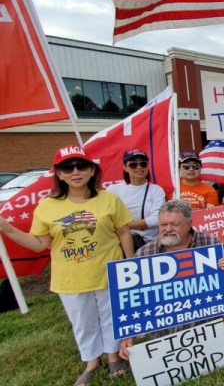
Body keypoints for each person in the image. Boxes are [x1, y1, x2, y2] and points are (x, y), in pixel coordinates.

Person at [0, 145, 134, 385]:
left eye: (81, 165)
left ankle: (114, 356)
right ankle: (92, 361)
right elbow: (39, 244)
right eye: (67, 167)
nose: (75, 171)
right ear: (59, 174)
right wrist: (8, 229)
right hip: (70, 276)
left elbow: (123, 232)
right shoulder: (48, 206)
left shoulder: (109, 199)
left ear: (92, 170)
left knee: (111, 315)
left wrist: (130, 264)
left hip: (108, 270)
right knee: (82, 321)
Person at [118, 199, 224, 358]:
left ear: (189, 224)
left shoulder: (209, 242)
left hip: (206, 333)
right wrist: (128, 334)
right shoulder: (144, 253)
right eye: (163, 225)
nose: (168, 229)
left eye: (174, 224)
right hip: (163, 337)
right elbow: (132, 298)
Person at [106, 148, 166, 249]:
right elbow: (108, 218)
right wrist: (124, 229)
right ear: (125, 167)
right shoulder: (113, 190)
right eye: (133, 164)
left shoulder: (156, 190)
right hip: (120, 244)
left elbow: (157, 219)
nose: (139, 167)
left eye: (143, 164)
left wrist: (123, 226)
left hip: (150, 244)